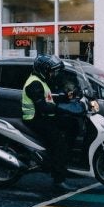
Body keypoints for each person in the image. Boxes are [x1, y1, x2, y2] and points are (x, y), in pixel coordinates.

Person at [22, 54, 85, 191]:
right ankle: (58, 179)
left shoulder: (41, 80)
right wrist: (62, 108)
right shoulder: (34, 83)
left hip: (44, 116)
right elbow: (43, 106)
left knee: (72, 124)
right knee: (59, 144)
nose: (54, 74)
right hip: (35, 119)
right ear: (44, 70)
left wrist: (65, 98)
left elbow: (49, 99)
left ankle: (62, 163)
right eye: (52, 71)